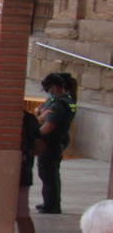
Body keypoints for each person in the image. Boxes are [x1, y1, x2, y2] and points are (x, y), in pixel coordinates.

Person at [37, 73, 74, 214]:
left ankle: (51, 206)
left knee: (48, 174)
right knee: (51, 174)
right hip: (59, 141)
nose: (47, 92)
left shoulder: (58, 104)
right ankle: (50, 203)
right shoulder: (68, 100)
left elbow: (49, 126)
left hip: (50, 143)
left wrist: (34, 135)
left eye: (48, 88)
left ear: (54, 87)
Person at [14, 110, 40, 233]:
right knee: (22, 214)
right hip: (23, 173)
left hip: (10, 172)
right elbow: (40, 147)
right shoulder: (29, 118)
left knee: (20, 214)